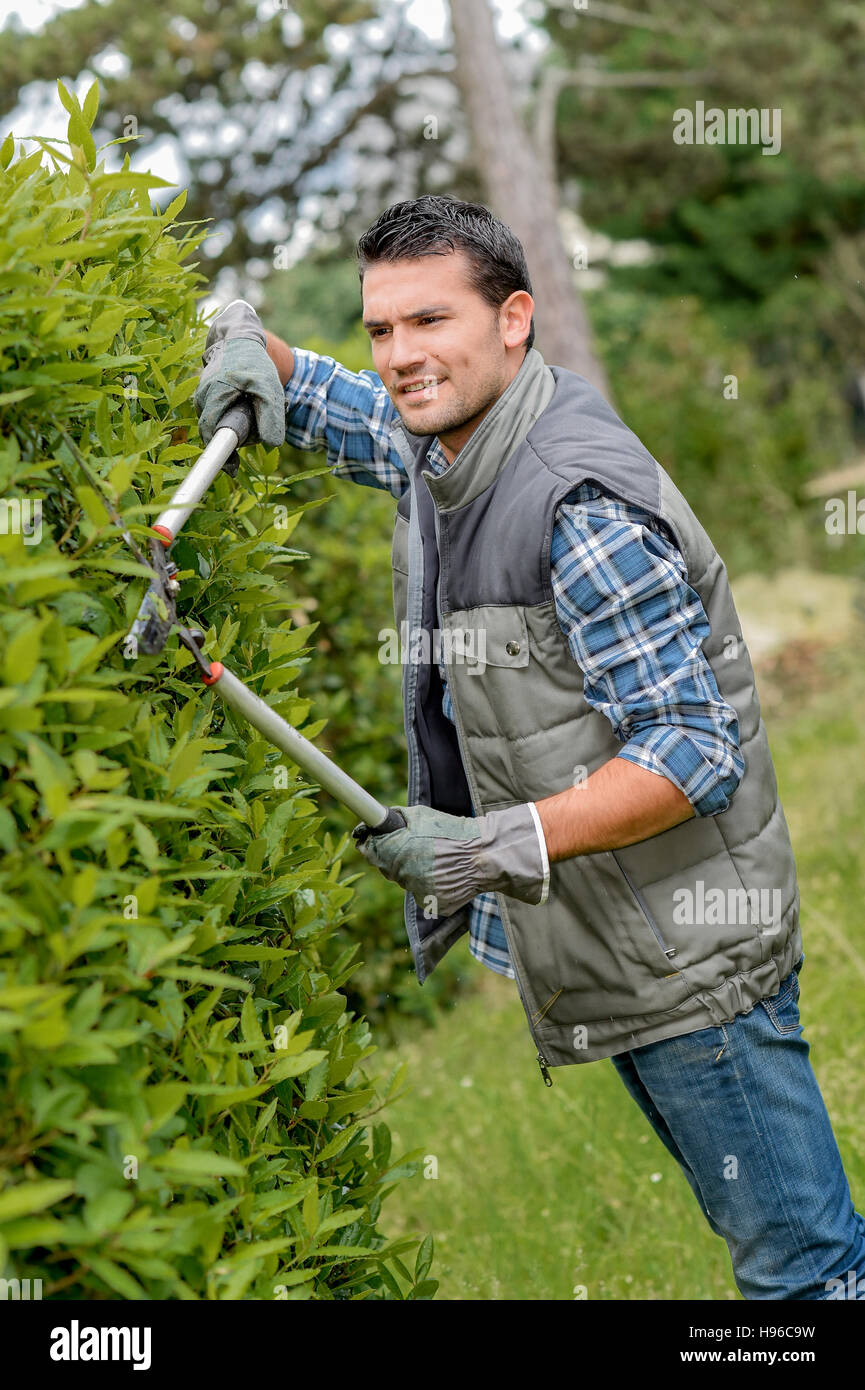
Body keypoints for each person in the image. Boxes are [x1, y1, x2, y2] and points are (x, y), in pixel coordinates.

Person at [194, 193, 865, 1301]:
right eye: (381, 329)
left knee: (805, 1273)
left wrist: (488, 844)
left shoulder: (575, 501)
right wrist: (233, 327)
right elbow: (331, 404)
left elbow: (692, 751)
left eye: (430, 322)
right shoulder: (451, 440)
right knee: (802, 1248)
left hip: (690, 961)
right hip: (634, 946)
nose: (400, 357)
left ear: (513, 318)